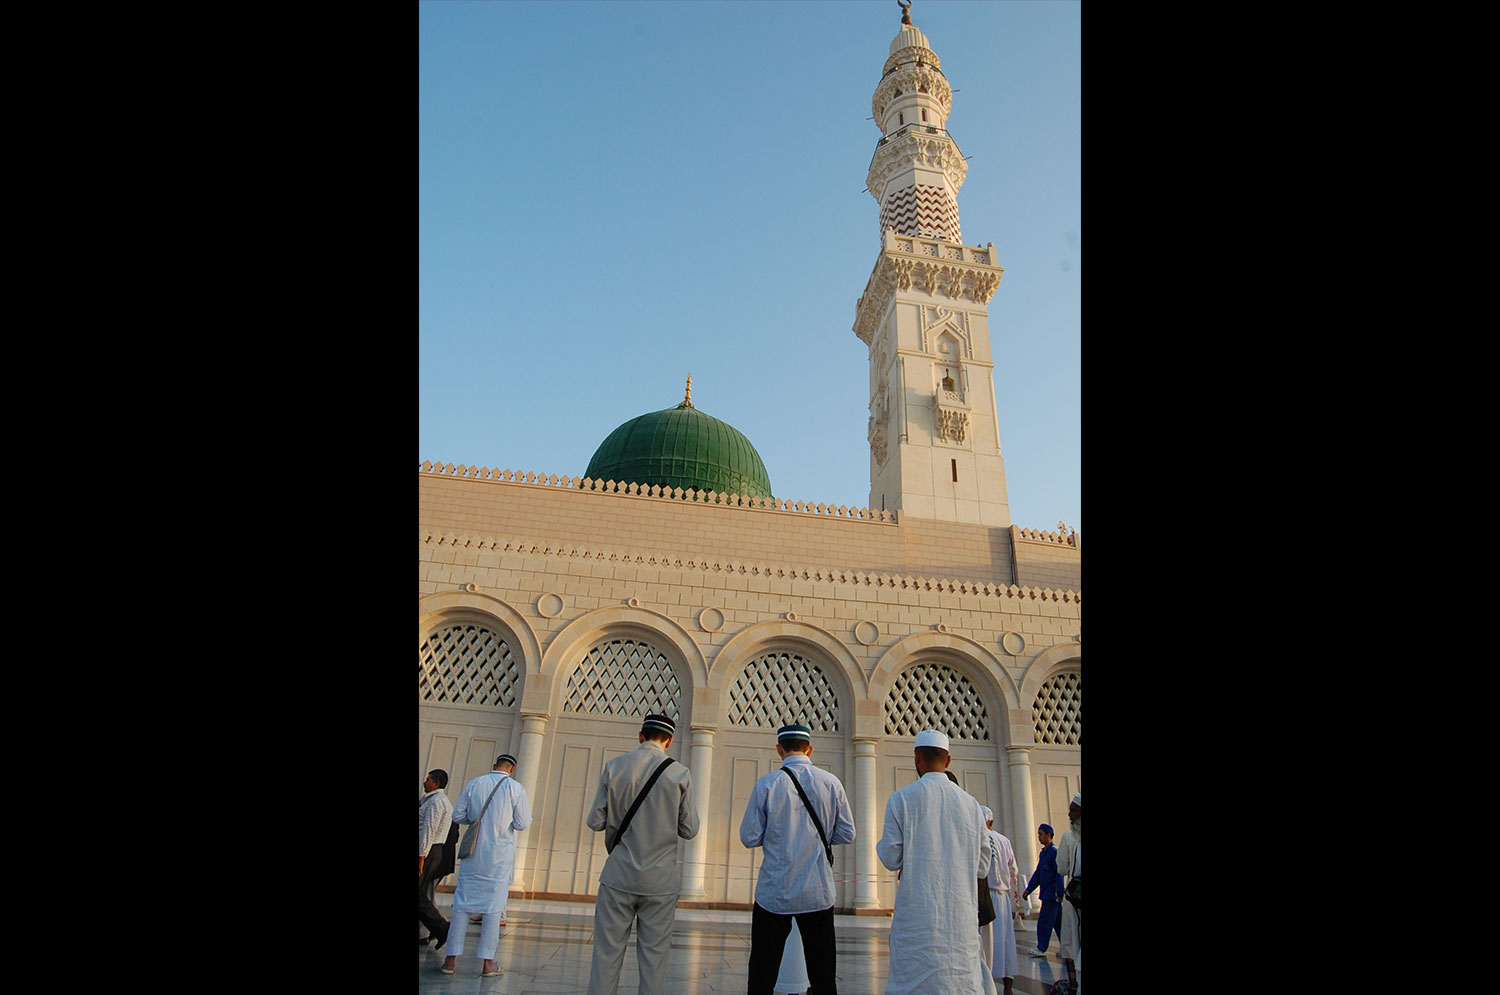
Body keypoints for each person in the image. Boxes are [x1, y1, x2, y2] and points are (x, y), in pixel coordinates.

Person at [586, 713, 700, 995]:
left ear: (640, 735)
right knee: (654, 959)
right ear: (669, 741)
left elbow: (595, 821)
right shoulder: (679, 773)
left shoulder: (615, 766)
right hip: (659, 881)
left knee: (606, 954)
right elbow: (689, 828)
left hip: (618, 875)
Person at [739, 722, 856, 995]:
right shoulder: (830, 783)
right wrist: (819, 839)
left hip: (774, 893)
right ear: (810, 749)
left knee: (762, 972)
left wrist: (778, 836)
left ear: (779, 749)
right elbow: (847, 832)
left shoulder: (767, 785)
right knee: (823, 972)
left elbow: (749, 837)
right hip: (817, 891)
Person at [876, 729, 989, 995]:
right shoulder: (972, 805)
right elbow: (983, 867)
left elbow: (891, 858)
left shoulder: (902, 799)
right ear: (948, 761)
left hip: (917, 920)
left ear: (917, 758)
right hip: (959, 919)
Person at [441, 754, 532, 978]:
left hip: (473, 856)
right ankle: (488, 963)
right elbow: (522, 823)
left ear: (494, 766)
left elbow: (458, 814)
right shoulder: (515, 788)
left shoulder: (475, 783)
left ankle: (450, 960)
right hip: (498, 858)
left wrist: (477, 819)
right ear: (511, 770)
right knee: (493, 908)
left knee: (461, 905)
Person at [981, 807, 1020, 995]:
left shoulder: (979, 839)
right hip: (1003, 896)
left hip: (986, 896)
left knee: (987, 942)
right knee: (1005, 940)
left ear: (988, 822)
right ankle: (1008, 986)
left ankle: (987, 984)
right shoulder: (1005, 841)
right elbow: (1014, 870)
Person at [419, 769, 454, 948]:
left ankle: (441, 928)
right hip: (431, 851)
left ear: (436, 783)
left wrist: (421, 856)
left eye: (428, 780)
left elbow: (428, 830)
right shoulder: (431, 800)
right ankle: (439, 928)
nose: (425, 783)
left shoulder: (437, 802)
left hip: (429, 851)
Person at [1021, 823, 1064, 958]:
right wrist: (1028, 889)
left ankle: (1041, 947)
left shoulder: (1054, 853)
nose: (1039, 837)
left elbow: (1059, 874)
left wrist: (1059, 893)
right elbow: (1038, 874)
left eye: (1041, 834)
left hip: (1052, 895)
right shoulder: (1044, 854)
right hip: (1046, 894)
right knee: (1059, 924)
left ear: (1048, 835)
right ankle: (1068, 949)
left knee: (1045, 921)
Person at [1054, 793, 1082, 989]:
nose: (1069, 814)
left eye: (1073, 810)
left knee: (1073, 947)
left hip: (1075, 901)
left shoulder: (1069, 837)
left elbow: (1062, 868)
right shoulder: (1076, 840)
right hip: (1075, 901)